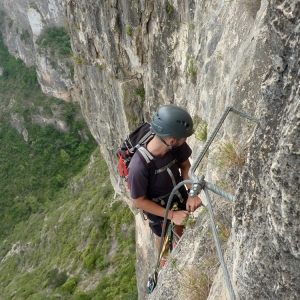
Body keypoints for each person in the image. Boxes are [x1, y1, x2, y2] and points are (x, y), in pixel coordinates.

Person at [128, 105, 202, 254]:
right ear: (172, 141)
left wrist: (191, 193)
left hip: (179, 195)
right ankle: (164, 258)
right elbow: (139, 201)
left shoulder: (174, 146)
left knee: (180, 227)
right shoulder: (138, 167)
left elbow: (185, 166)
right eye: (184, 138)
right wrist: (172, 215)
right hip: (158, 210)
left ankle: (182, 248)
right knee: (163, 238)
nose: (185, 140)